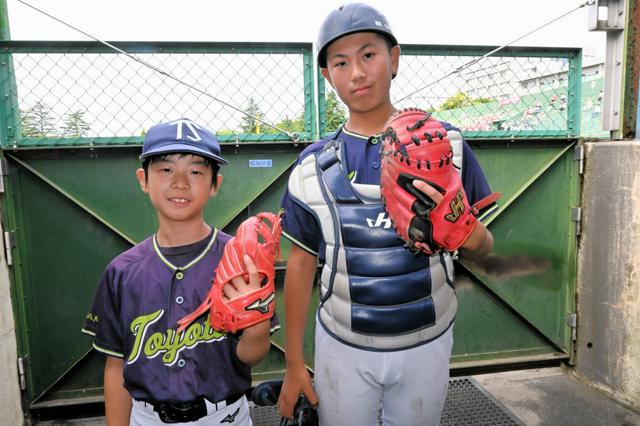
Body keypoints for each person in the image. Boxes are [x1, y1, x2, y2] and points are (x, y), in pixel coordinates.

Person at [277, 3, 496, 425]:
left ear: (393, 59)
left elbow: (484, 249)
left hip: (426, 341)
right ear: (327, 76)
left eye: (368, 54)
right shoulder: (310, 166)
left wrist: (462, 229)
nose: (357, 72)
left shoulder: (444, 145)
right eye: (340, 62)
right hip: (343, 344)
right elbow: (301, 263)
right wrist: (292, 364)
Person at [82, 118, 274, 425]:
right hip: (147, 418)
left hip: (226, 416)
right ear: (143, 179)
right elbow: (116, 365)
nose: (180, 182)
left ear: (216, 184)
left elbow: (252, 355)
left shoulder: (240, 259)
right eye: (166, 169)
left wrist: (257, 325)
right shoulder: (121, 272)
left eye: (196, 171)